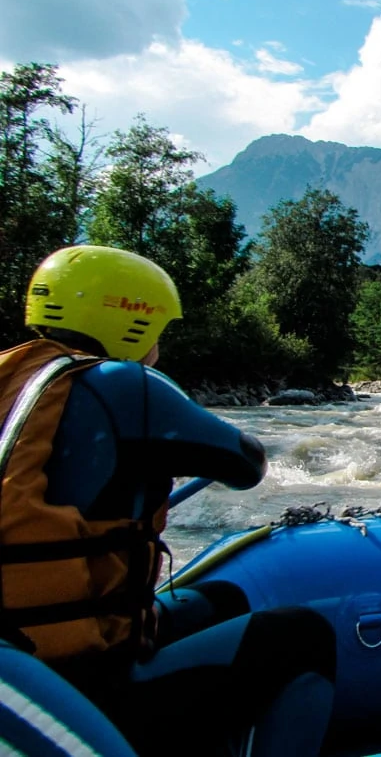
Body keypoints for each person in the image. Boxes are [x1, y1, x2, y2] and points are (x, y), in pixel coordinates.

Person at [0, 244, 338, 756]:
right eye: (160, 328)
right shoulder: (123, 384)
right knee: (303, 634)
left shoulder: (13, 374)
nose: (161, 344)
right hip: (79, 680)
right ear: (129, 321)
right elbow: (246, 464)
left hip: (20, 653)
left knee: (227, 599)